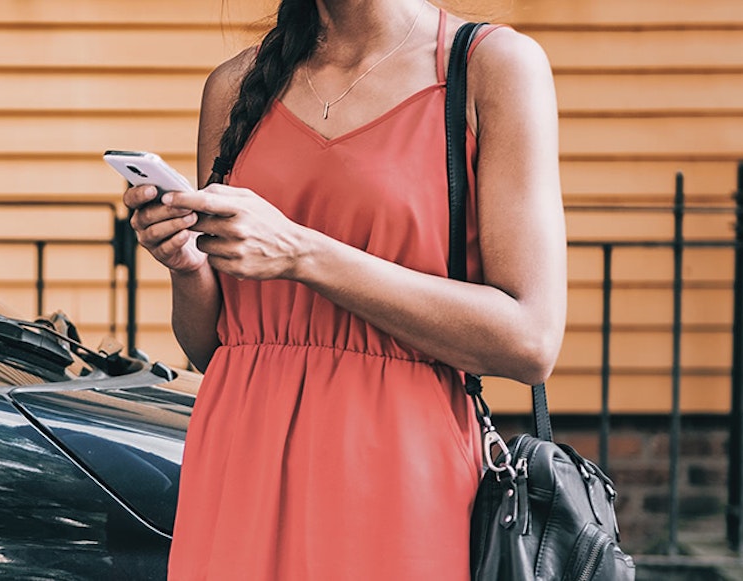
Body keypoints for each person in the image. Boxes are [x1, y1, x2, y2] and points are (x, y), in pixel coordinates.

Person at [124, 0, 565, 578]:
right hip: (240, 461)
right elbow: (216, 349)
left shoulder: (490, 67)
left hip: (394, 476)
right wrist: (186, 265)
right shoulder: (234, 87)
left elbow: (530, 340)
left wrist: (304, 253)